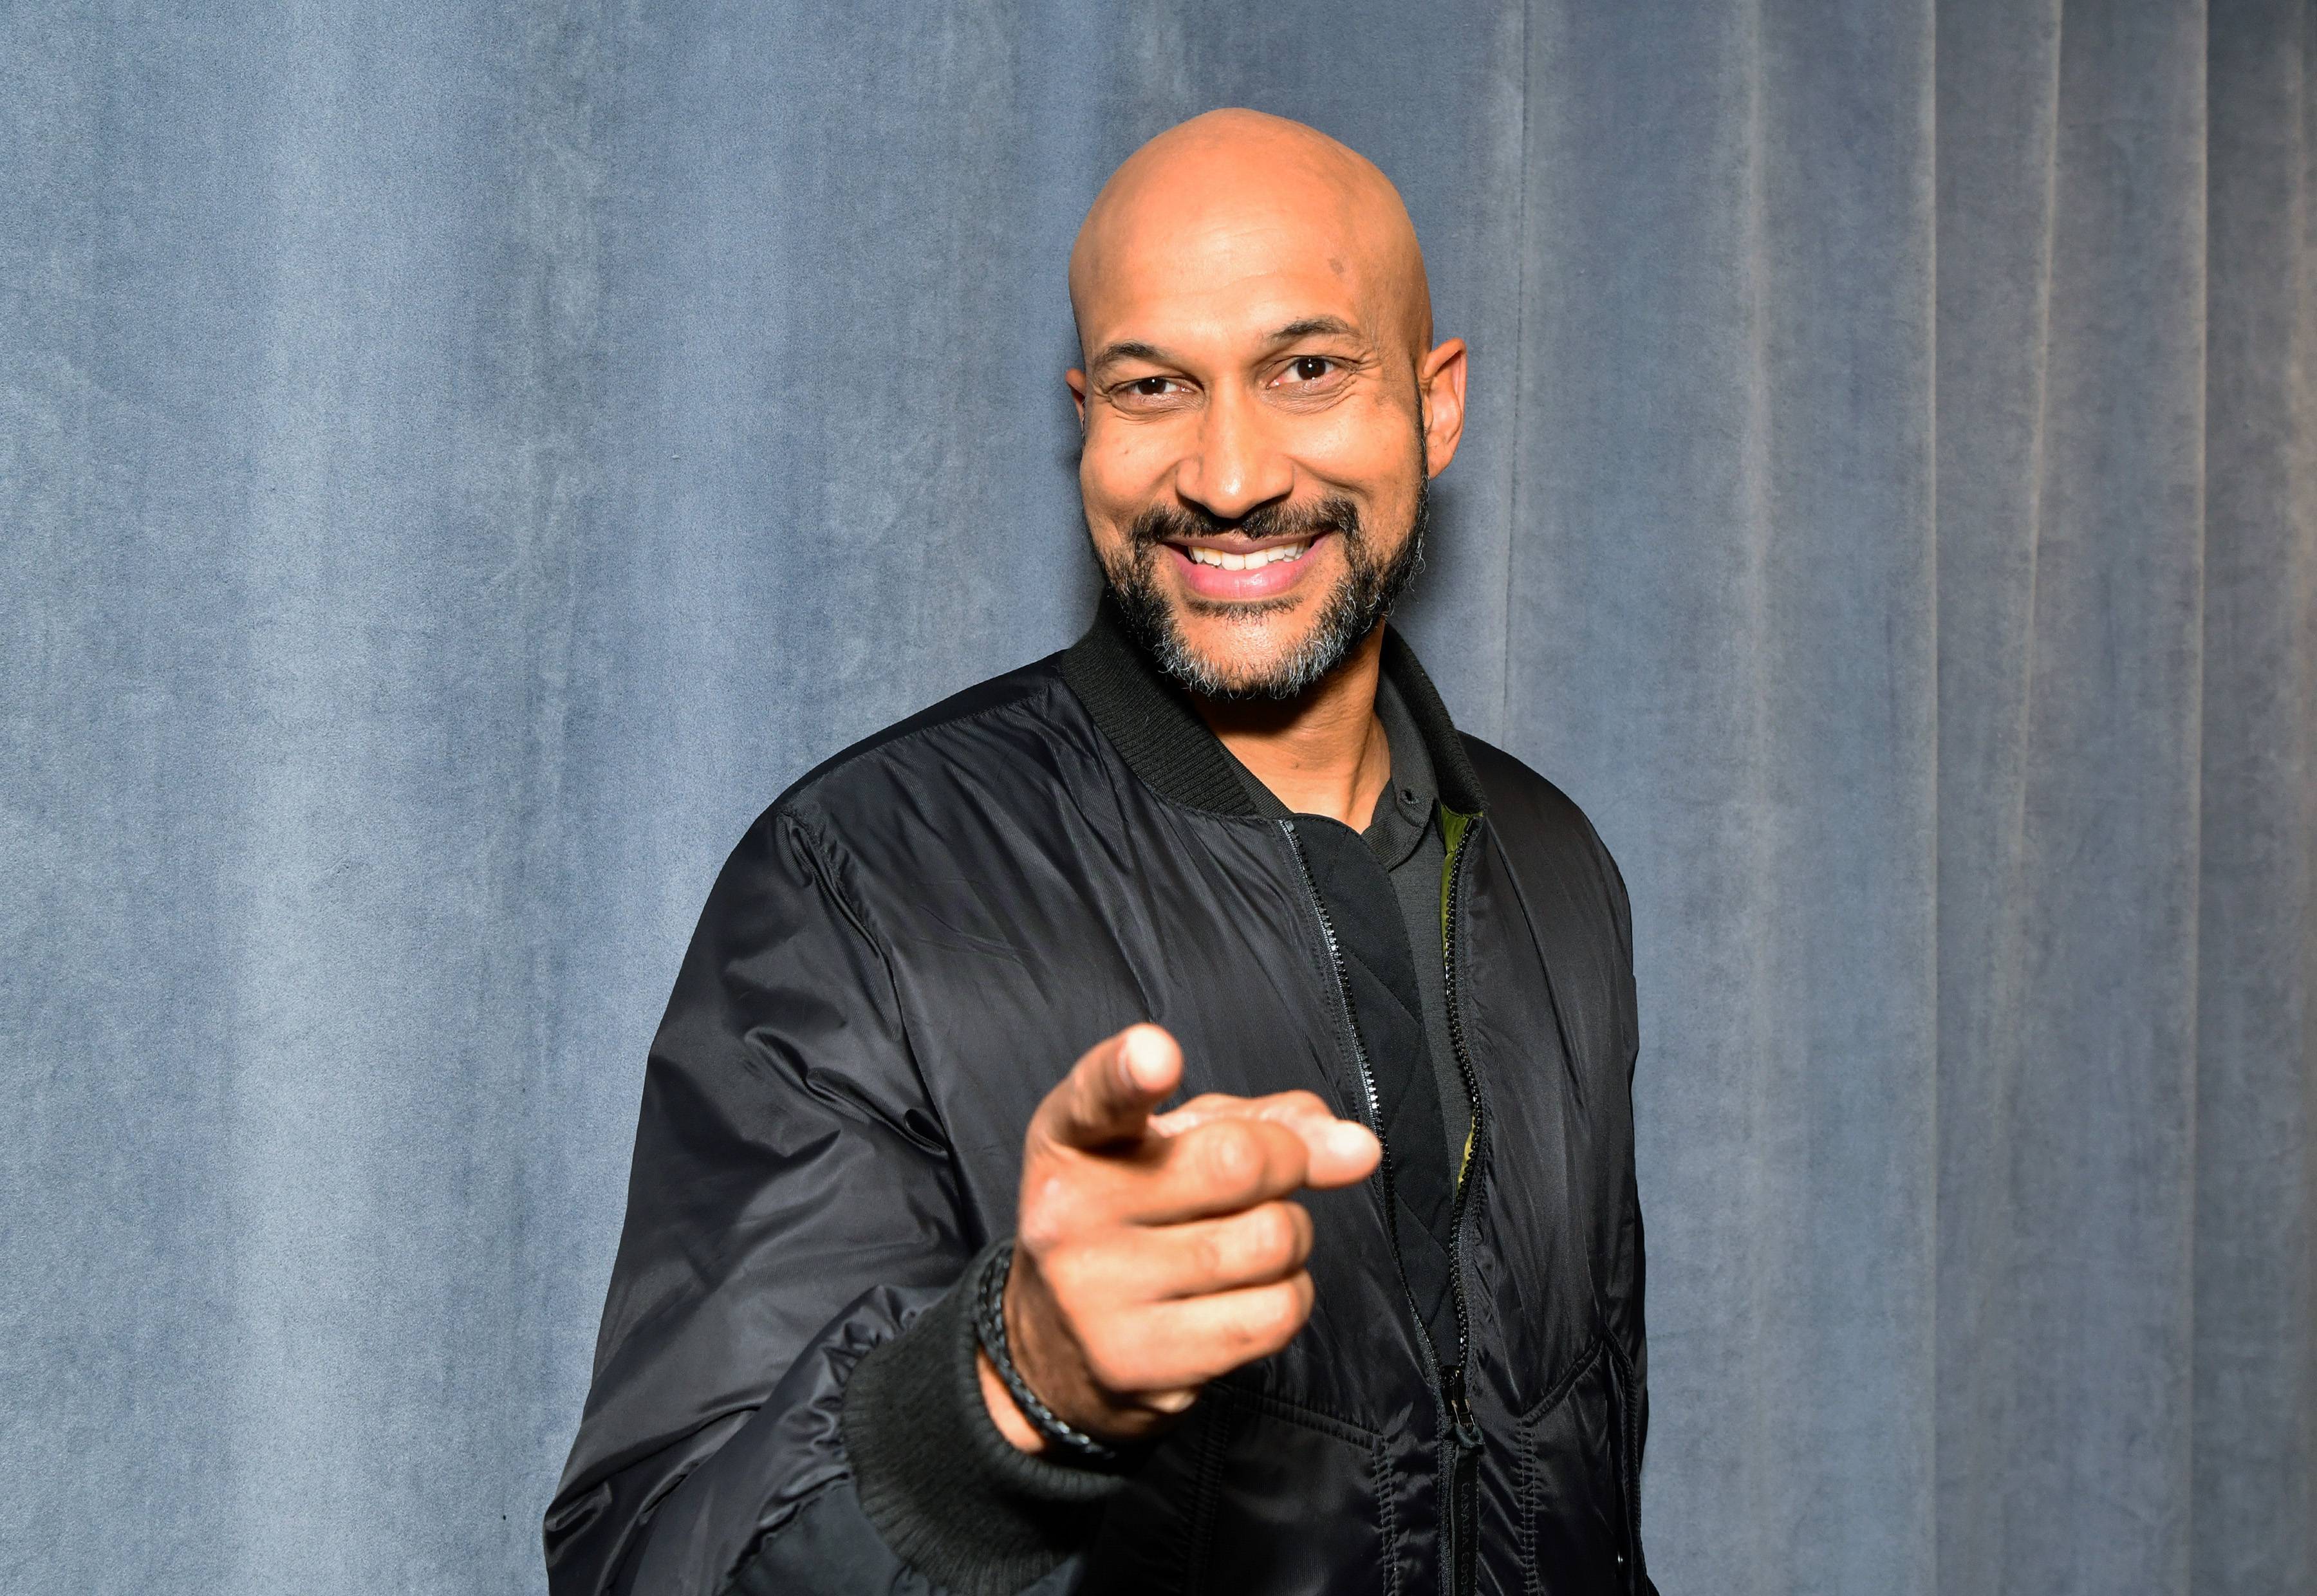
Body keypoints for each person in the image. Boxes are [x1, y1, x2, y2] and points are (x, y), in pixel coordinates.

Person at [546, 109, 1655, 1596]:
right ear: (1088, 418)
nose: (1231, 470)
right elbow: (651, 1564)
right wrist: (1006, 1395)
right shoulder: (857, 887)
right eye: (1155, 387)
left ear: (1435, 407)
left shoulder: (1550, 863)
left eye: (1307, 369)